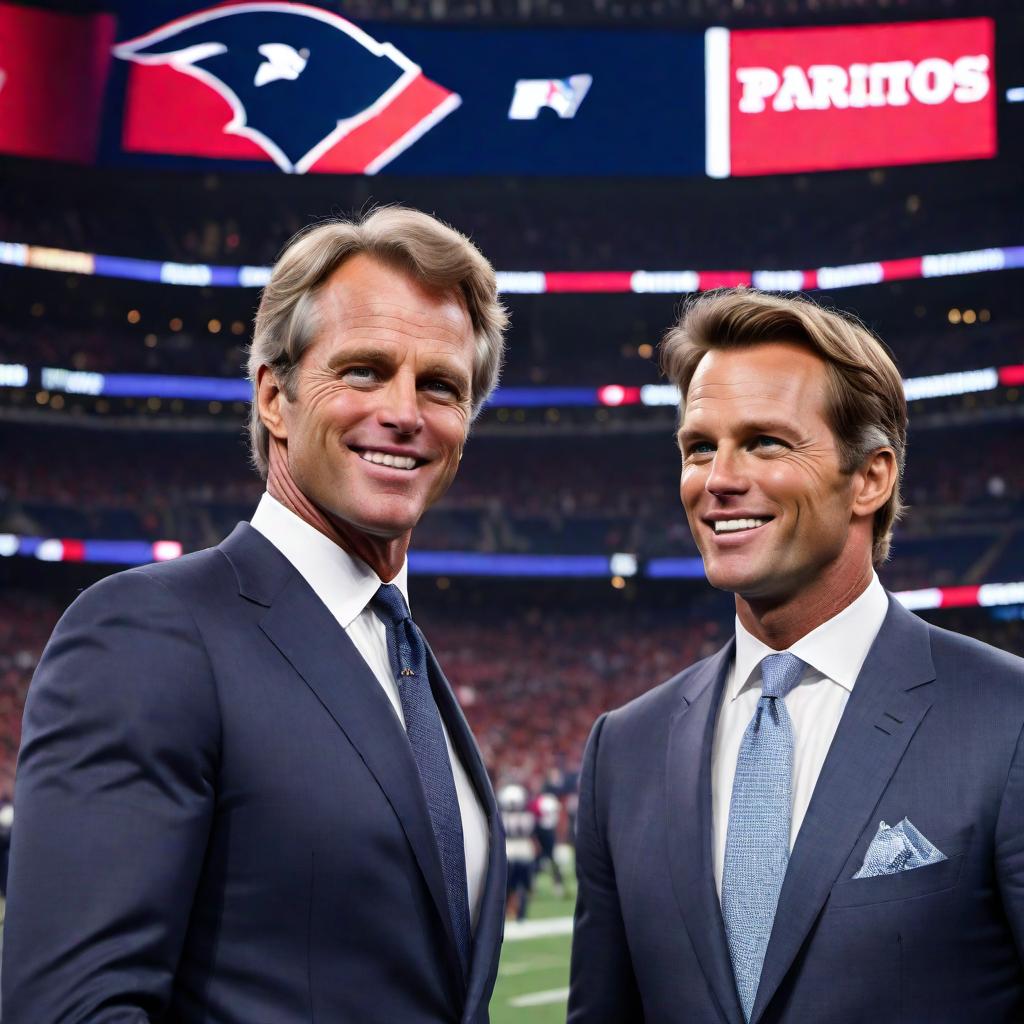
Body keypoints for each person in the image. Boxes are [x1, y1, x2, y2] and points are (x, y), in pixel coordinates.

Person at [4, 207, 510, 1023]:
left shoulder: (407, 660)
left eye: (441, 386)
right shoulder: (150, 634)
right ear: (275, 397)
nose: (406, 411)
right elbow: (73, 1010)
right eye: (365, 371)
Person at [568, 289, 1024, 1023]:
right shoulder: (624, 750)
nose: (719, 479)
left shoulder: (1007, 720)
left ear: (870, 478)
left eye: (765, 442)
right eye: (699, 447)